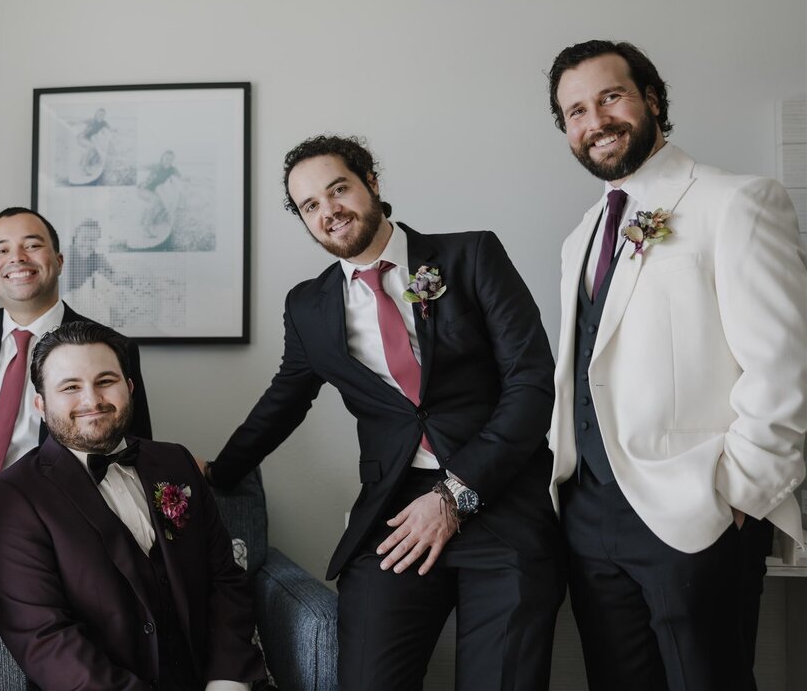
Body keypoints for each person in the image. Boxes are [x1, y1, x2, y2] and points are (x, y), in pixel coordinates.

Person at [202, 135, 564, 690]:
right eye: (310, 206)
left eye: (338, 189)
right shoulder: (308, 306)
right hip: (394, 512)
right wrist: (215, 474)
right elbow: (283, 402)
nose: (329, 212)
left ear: (371, 181)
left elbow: (533, 384)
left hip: (501, 501)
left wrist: (455, 494)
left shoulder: (470, 256)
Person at [546, 39, 807, 690]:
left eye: (610, 97)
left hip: (697, 512)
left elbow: (786, 369)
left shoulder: (736, 201)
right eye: (575, 111)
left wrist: (738, 494)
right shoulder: (581, 236)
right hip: (588, 518)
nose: (595, 120)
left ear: (652, 100)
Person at [0, 321, 266, 690]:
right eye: (70, 387)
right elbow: (46, 640)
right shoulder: (9, 499)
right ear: (41, 404)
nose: (91, 400)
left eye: (105, 381)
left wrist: (227, 680)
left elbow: (226, 579)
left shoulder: (176, 463)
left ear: (129, 388)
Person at [0, 207, 152, 513]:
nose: (17, 258)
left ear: (59, 261)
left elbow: (131, 452)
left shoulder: (107, 348)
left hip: (52, 515)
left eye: (32, 245)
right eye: (1, 250)